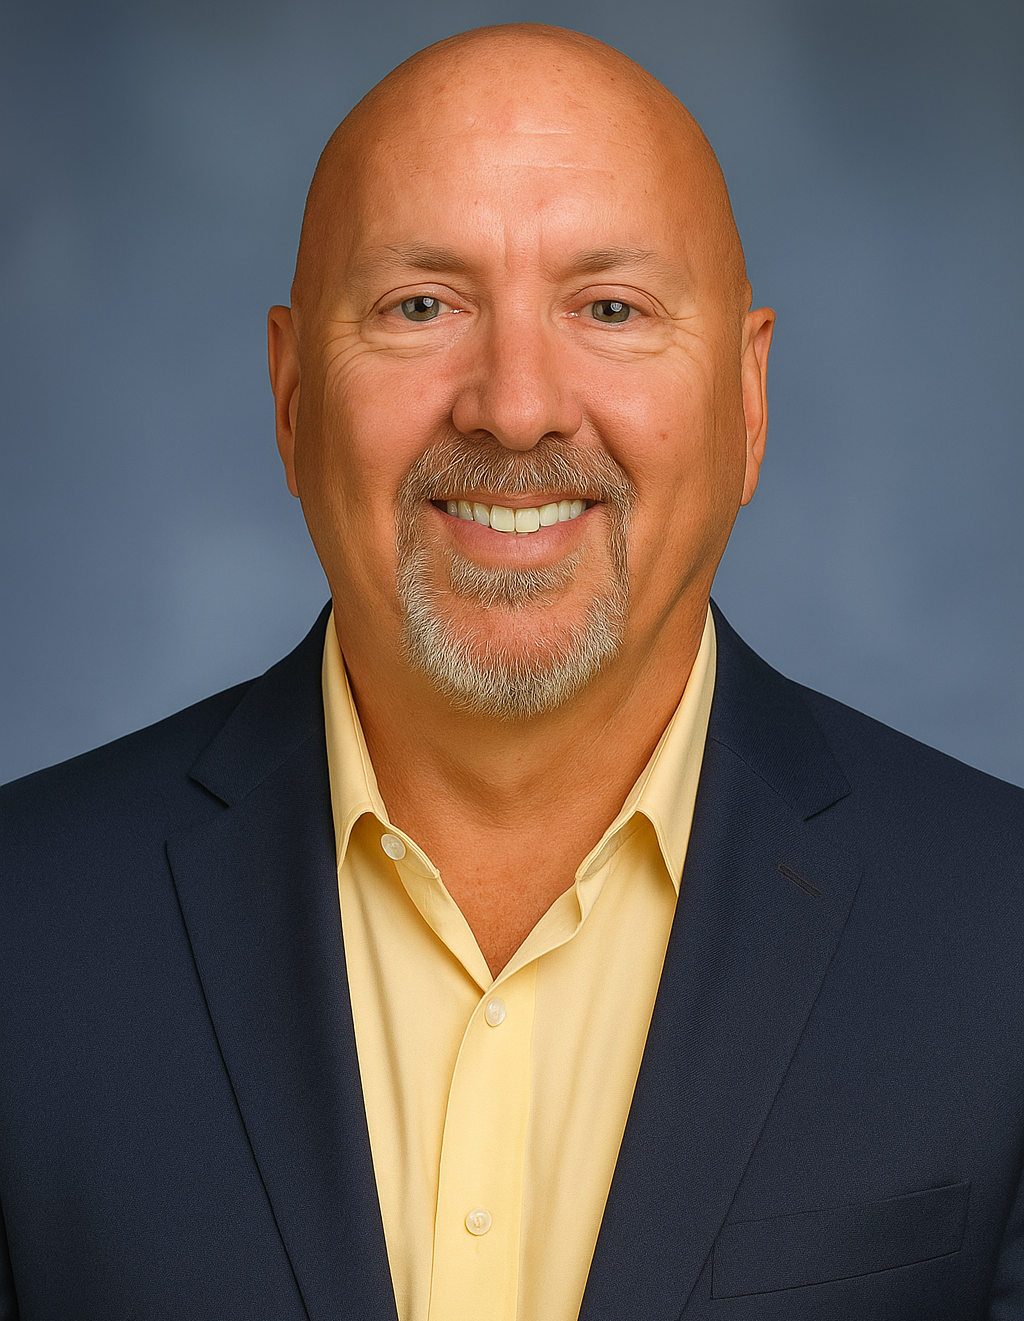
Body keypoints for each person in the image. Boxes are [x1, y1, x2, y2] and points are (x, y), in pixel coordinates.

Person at [0, 22, 1021, 1321]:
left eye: (610, 308)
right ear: (292, 393)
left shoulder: (1003, 936)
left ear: (748, 401)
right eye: (422, 305)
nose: (517, 405)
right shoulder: (21, 934)